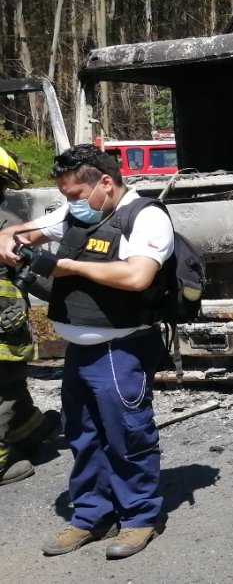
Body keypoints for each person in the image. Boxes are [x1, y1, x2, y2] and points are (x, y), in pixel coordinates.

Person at [0, 144, 173, 558]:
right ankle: (90, 515)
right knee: (84, 436)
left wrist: (67, 266)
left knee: (128, 436)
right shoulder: (75, 210)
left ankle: (138, 519)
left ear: (106, 183)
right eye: (65, 196)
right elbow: (18, 232)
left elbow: (136, 276)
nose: (70, 204)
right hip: (79, 351)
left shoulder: (145, 217)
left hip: (121, 349)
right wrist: (11, 240)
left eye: (76, 195)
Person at [0, 145, 59, 486]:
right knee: (4, 390)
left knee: (12, 385)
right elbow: (36, 275)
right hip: (3, 334)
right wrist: (73, 297)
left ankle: (30, 432)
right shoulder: (6, 226)